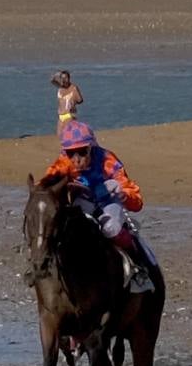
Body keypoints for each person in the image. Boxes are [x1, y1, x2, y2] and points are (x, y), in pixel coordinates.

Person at [43, 122, 154, 293]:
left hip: (108, 202)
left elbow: (135, 199)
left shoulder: (108, 161)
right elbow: (46, 185)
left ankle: (138, 267)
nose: (76, 159)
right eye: (71, 153)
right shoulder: (62, 163)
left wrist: (125, 195)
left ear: (91, 148)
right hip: (82, 203)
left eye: (82, 152)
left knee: (111, 228)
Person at [52, 70, 84, 134]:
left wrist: (73, 102)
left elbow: (80, 100)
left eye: (66, 78)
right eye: (62, 78)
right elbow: (52, 80)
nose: (64, 80)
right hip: (60, 116)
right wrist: (57, 74)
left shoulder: (73, 88)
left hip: (69, 114)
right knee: (60, 135)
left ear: (69, 78)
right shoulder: (60, 87)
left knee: (67, 135)